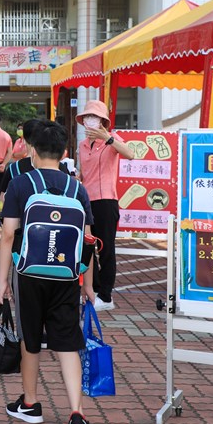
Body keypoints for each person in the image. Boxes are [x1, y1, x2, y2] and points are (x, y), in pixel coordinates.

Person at [0, 119, 95, 424]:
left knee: (30, 339)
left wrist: (2, 282)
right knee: (67, 341)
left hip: (28, 274)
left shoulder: (21, 184)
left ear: (33, 151)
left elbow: (9, 234)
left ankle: (30, 404)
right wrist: (87, 284)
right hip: (67, 276)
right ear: (65, 152)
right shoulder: (76, 188)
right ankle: (77, 414)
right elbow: (88, 241)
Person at [76, 99, 135, 312]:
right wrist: (75, 177)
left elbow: (130, 154)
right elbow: (83, 173)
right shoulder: (82, 146)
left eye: (94, 117)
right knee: (88, 247)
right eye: (87, 117)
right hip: (86, 202)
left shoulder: (112, 140)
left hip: (106, 201)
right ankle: (95, 289)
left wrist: (107, 138)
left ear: (103, 121)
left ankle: (106, 295)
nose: (90, 121)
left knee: (106, 248)